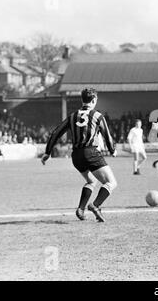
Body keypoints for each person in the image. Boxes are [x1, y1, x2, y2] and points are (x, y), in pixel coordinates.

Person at [41, 88, 117, 222]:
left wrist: (47, 152)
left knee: (91, 181)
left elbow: (55, 133)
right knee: (111, 182)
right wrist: (112, 150)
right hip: (91, 152)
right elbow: (107, 136)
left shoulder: (72, 116)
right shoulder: (97, 116)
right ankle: (96, 205)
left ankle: (81, 209)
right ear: (94, 100)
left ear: (82, 100)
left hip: (76, 156)